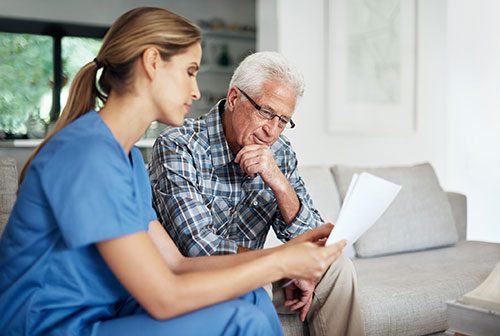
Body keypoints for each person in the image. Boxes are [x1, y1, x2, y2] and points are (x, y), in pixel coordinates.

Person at [0, 8, 347, 336]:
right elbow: (164, 296)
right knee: (241, 319)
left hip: (106, 310)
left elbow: (177, 264)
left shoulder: (130, 159)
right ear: (152, 62)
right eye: (190, 71)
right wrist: (282, 264)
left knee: (252, 297)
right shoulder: (87, 154)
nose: (196, 91)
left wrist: (285, 255)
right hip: (52, 326)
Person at [148, 51, 365, 336]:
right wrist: (276, 263)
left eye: (283, 120)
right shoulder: (178, 146)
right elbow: (197, 247)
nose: (272, 131)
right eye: (266, 112)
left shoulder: (280, 152)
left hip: (257, 274)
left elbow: (316, 239)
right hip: (195, 282)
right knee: (257, 278)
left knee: (338, 268)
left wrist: (279, 182)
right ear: (235, 98)